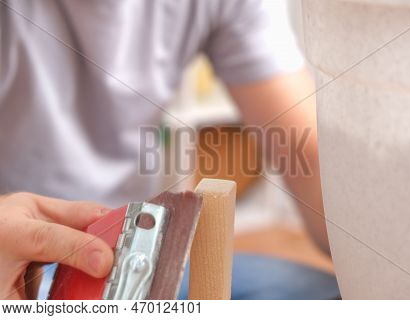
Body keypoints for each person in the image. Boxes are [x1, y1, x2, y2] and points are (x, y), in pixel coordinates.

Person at [0, 0, 338, 299]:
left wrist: (378, 248)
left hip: (139, 258)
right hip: (19, 270)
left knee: (333, 295)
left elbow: (306, 149)